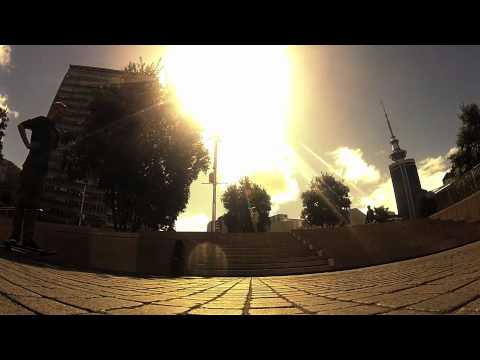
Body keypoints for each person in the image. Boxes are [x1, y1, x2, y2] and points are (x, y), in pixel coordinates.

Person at [4, 102, 67, 249]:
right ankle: (14, 236)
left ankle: (27, 239)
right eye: (60, 112)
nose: (61, 116)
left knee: (33, 205)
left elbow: (51, 150)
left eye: (63, 114)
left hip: (42, 170)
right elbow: (21, 126)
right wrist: (27, 144)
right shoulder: (40, 121)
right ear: (54, 110)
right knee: (22, 201)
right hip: (31, 166)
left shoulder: (56, 133)